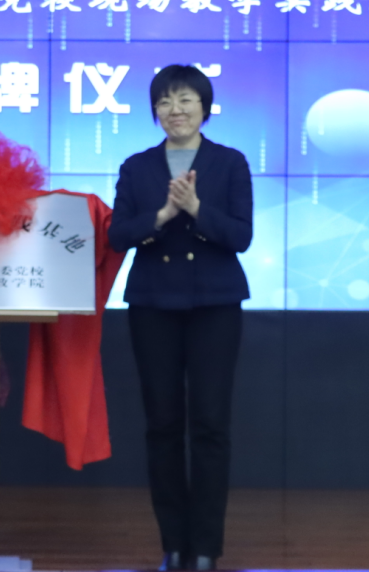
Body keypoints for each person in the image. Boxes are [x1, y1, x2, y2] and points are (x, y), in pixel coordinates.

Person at [108, 65, 253, 572]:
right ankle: (173, 543)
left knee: (210, 425)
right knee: (163, 425)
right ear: (155, 112)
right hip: (153, 305)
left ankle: (207, 546)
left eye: (186, 100)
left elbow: (241, 236)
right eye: (166, 102)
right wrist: (162, 217)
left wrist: (195, 208)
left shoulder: (229, 162)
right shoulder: (137, 167)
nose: (176, 110)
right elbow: (117, 235)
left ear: (205, 107)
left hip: (215, 305)